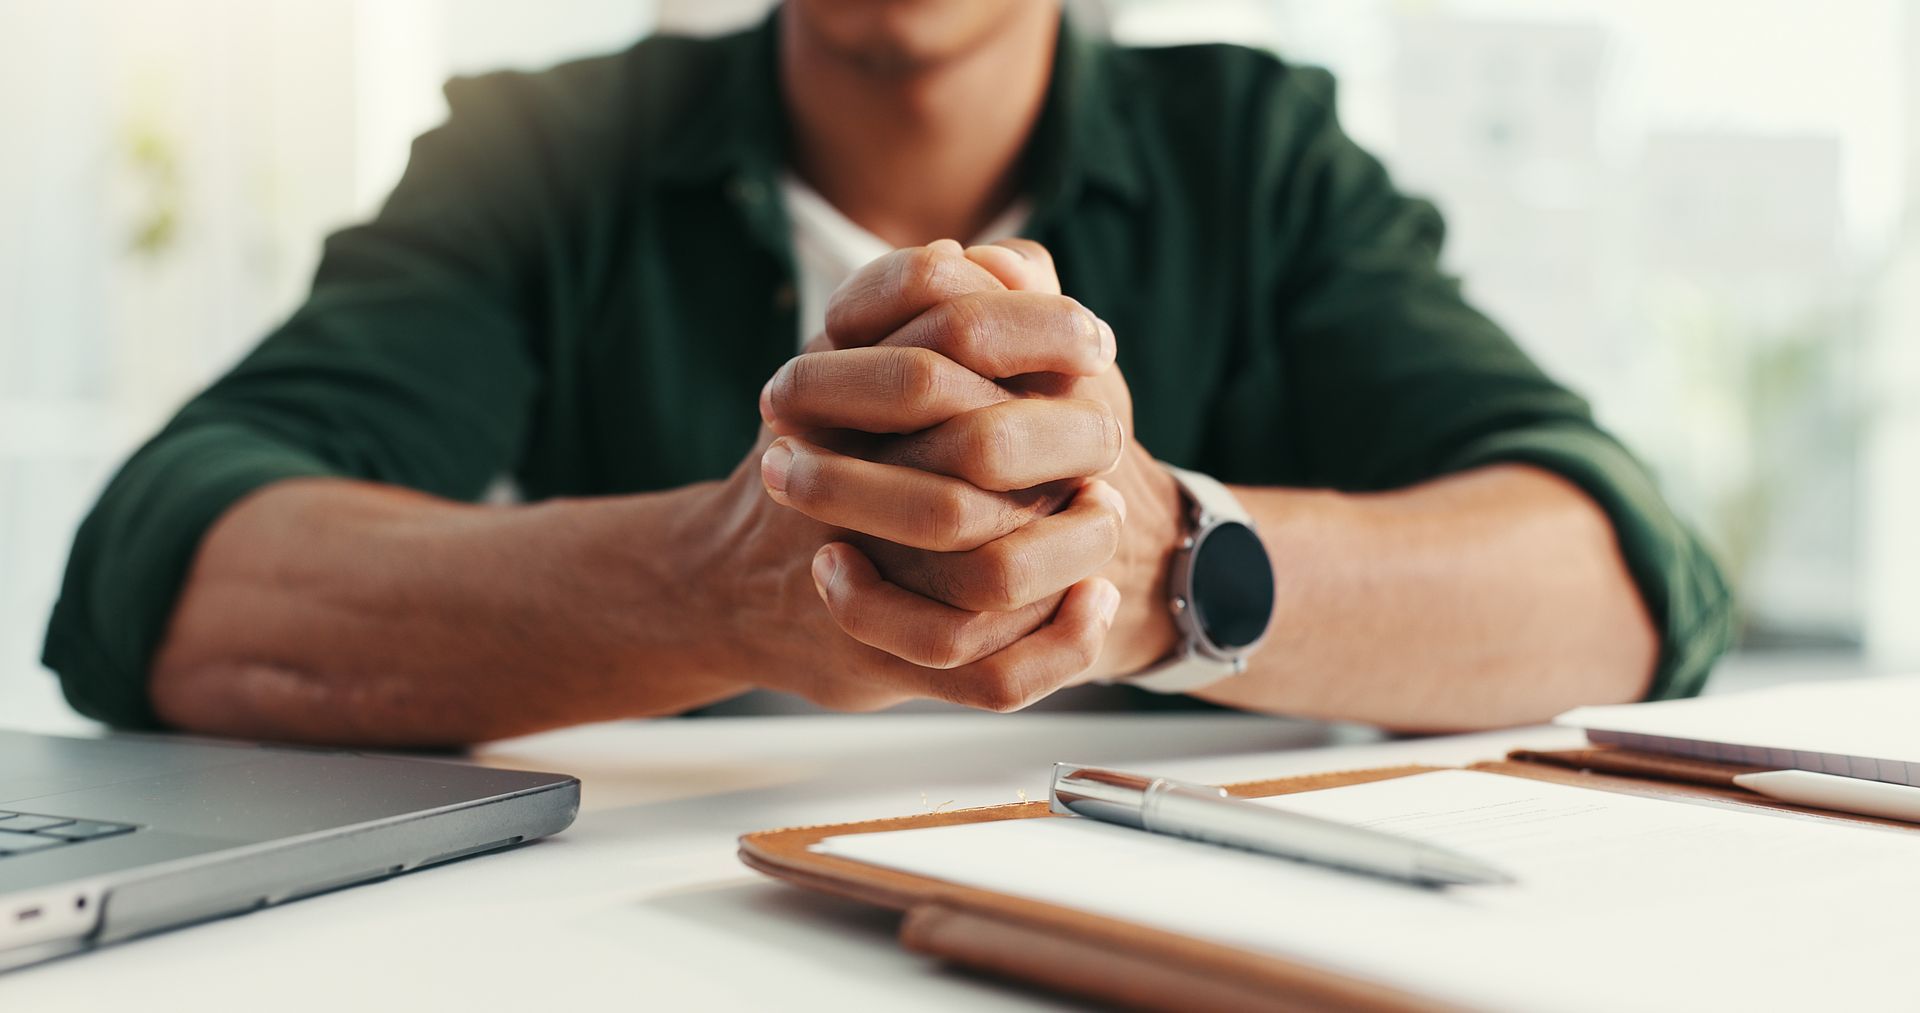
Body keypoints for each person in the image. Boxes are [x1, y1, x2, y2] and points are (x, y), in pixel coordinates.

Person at [43, 0, 1733, 747]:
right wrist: (726, 584)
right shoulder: (545, 151)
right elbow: (160, 572)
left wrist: (1157, 569)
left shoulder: (1255, 151)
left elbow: (1622, 573)